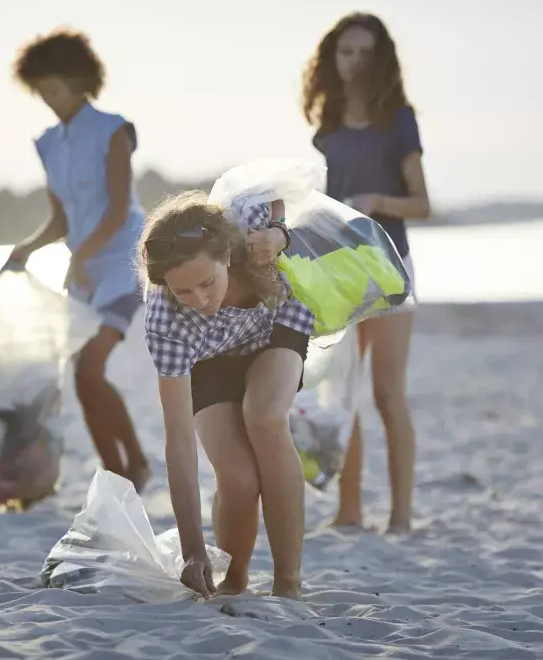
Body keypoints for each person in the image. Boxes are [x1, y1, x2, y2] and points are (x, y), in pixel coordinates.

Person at [138, 190, 312, 600]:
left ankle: (288, 583)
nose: (200, 301)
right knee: (237, 476)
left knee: (265, 415)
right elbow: (179, 441)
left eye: (207, 283)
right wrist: (192, 551)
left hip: (276, 327)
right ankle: (234, 582)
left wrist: (280, 235)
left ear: (227, 256)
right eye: (184, 292)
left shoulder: (244, 221)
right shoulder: (164, 320)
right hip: (210, 359)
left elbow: (286, 193)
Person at [302, 12, 432, 533]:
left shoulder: (399, 121)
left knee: (387, 394)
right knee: (344, 393)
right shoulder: (326, 131)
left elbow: (423, 203)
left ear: (381, 60)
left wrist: (377, 201)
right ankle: (349, 511)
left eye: (365, 53)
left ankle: (400, 517)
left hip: (391, 270)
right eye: (346, 52)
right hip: (338, 273)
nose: (355, 62)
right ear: (332, 59)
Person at [4, 28, 150, 492]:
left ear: (79, 80)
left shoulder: (114, 131)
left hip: (124, 261)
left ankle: (138, 465)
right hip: (83, 267)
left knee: (90, 366)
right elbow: (61, 218)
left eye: (55, 90)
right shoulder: (49, 143)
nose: (49, 100)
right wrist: (26, 246)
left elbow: (118, 208)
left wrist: (81, 256)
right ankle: (117, 475)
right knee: (82, 376)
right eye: (41, 92)